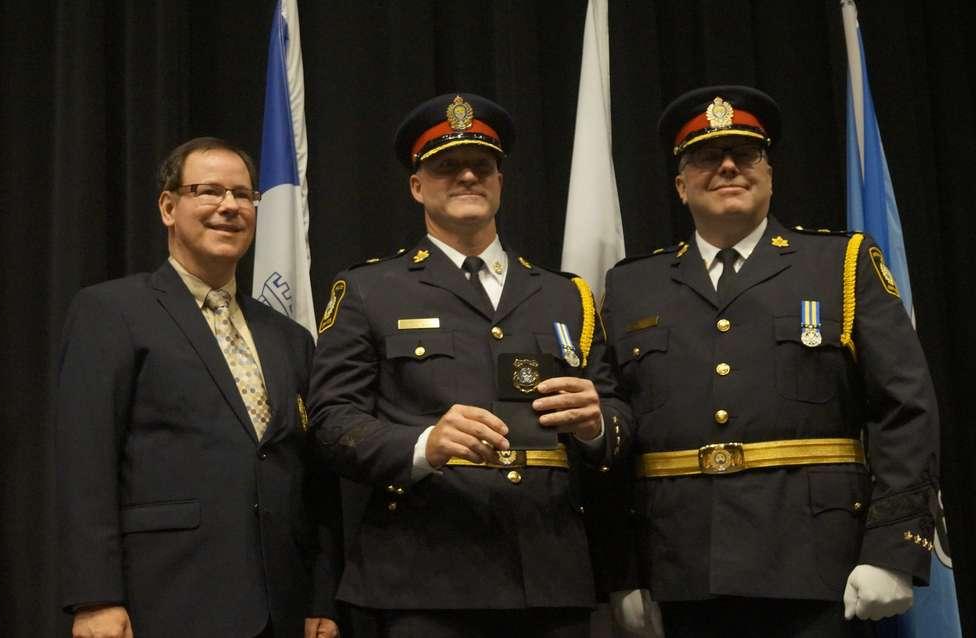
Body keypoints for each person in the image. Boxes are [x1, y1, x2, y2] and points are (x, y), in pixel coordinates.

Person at [603, 85, 940, 637]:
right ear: (680, 184)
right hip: (680, 571)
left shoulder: (842, 263)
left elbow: (906, 411)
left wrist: (893, 550)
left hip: (815, 566)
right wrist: (625, 572)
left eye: (747, 154)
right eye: (707, 157)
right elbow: (617, 436)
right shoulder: (631, 285)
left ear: (770, 172)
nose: (730, 166)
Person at [307, 93, 633, 637]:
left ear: (500, 182)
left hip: (549, 576)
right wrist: (423, 445)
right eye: (445, 167)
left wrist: (598, 425)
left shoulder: (564, 294)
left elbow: (618, 410)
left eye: (481, 166)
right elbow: (331, 422)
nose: (466, 177)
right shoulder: (368, 290)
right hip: (425, 575)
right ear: (417, 186)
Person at [55, 137, 341, 638]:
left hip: (282, 606)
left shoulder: (290, 338)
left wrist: (321, 598)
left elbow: (313, 478)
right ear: (168, 206)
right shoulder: (112, 312)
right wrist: (95, 597)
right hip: (164, 600)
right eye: (208, 191)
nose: (229, 207)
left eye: (243, 195)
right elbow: (86, 464)